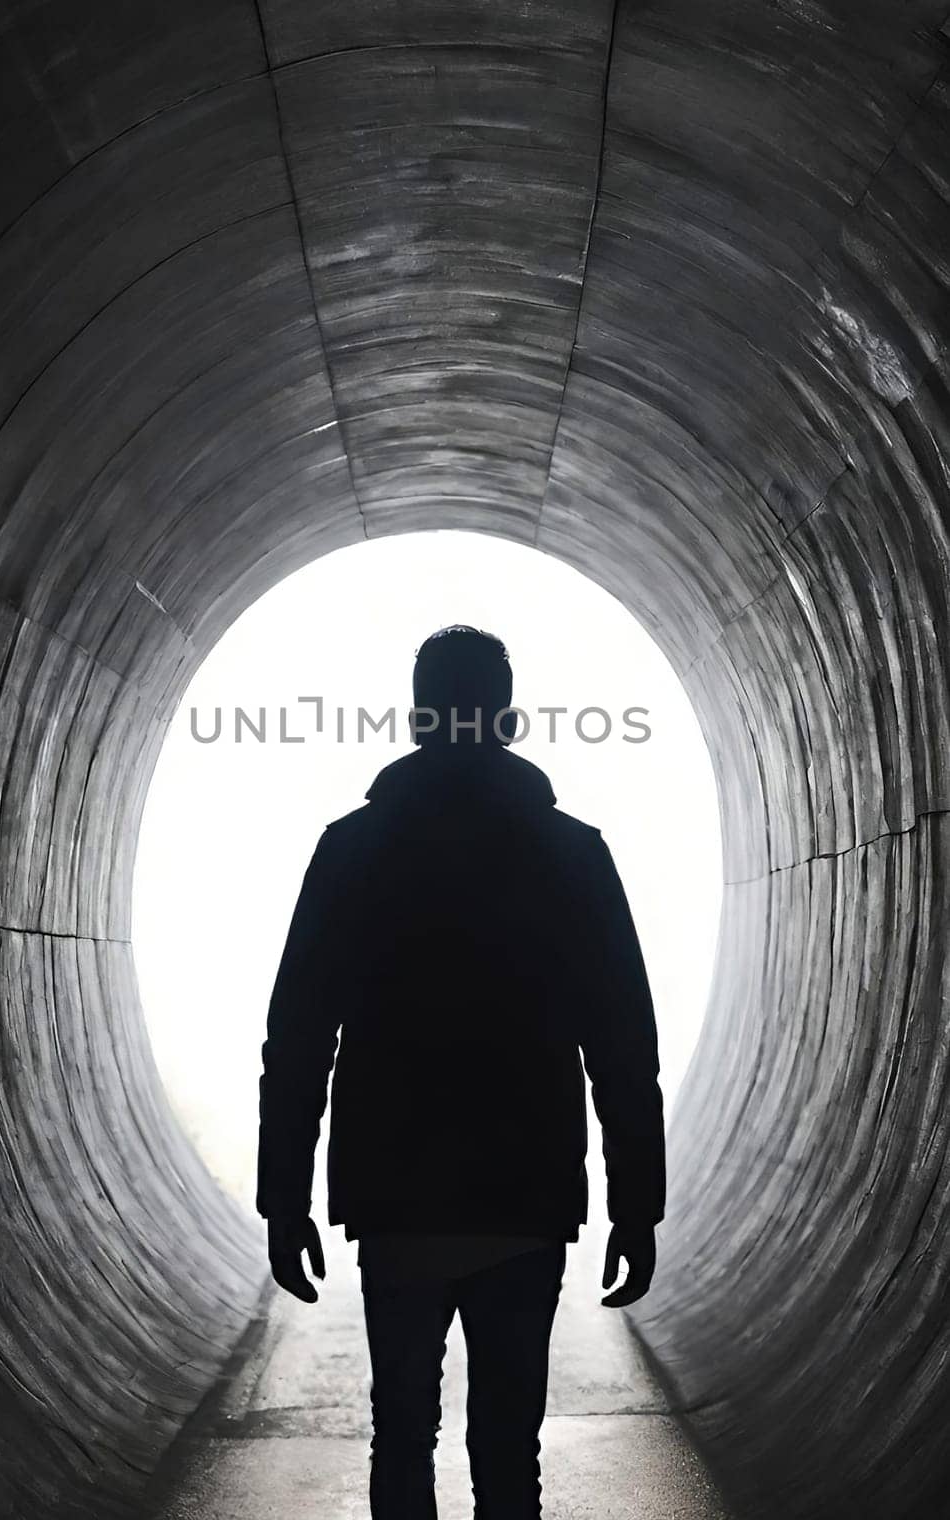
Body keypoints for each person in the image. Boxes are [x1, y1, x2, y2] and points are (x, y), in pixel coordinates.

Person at [256, 625, 666, 1519]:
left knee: (402, 1438)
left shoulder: (351, 849)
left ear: (414, 720)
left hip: (397, 1203)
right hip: (525, 1199)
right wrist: (636, 1204)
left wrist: (284, 1198)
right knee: (508, 1453)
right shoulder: (573, 854)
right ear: (509, 720)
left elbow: (296, 1037)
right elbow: (623, 1045)